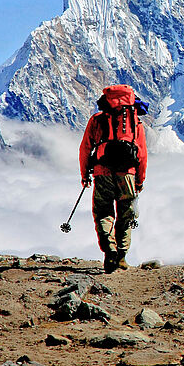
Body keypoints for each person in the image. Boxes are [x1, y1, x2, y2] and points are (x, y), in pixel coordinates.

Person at [79, 84, 148, 273]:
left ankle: (110, 251)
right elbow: (141, 155)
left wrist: (85, 174)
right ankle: (122, 257)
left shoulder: (97, 120)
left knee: (103, 212)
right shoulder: (135, 123)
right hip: (128, 174)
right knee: (126, 214)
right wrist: (140, 180)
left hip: (102, 172)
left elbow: (85, 148)